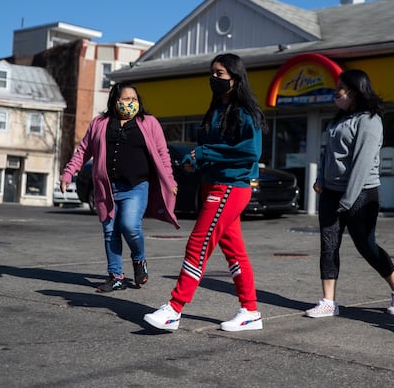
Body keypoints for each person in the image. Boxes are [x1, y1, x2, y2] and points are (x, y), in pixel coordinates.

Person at [144, 53, 267, 332]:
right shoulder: (215, 110)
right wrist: (196, 160)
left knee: (198, 243)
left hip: (230, 187)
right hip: (213, 184)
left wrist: (204, 152)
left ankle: (174, 309)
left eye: (219, 74)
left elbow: (250, 151)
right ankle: (250, 311)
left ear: (234, 79)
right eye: (211, 72)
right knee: (234, 252)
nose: (213, 78)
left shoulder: (245, 112)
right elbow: (213, 150)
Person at [306, 69, 394, 318]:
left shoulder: (370, 120)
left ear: (354, 90)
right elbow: (327, 153)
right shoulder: (338, 119)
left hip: (361, 194)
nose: (336, 92)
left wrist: (348, 199)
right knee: (328, 245)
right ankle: (328, 301)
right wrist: (321, 180)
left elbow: (362, 163)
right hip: (331, 192)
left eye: (340, 88)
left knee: (366, 245)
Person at [60, 82, 179, 293]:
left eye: (134, 99)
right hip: (106, 187)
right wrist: (69, 172)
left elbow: (163, 153)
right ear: (115, 100)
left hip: (136, 186)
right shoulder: (100, 123)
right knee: (110, 232)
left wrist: (170, 180)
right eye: (126, 99)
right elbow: (83, 150)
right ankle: (116, 276)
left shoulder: (148, 122)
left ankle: (139, 259)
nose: (130, 103)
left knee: (130, 226)